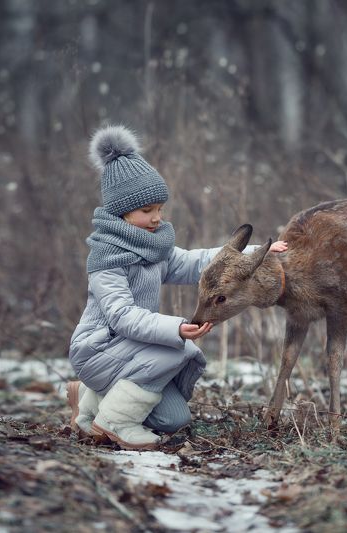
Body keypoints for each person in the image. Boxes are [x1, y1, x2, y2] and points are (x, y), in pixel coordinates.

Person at [66, 124, 286, 450]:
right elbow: (121, 316)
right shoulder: (107, 260)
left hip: (133, 350)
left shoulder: (153, 248)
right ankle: (115, 421)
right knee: (178, 349)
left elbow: (197, 263)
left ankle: (89, 400)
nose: (157, 218)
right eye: (147, 210)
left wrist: (254, 253)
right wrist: (177, 329)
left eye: (160, 209)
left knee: (173, 419)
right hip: (98, 350)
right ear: (120, 213)